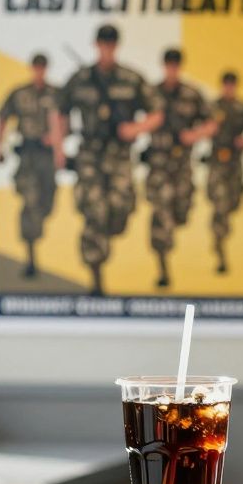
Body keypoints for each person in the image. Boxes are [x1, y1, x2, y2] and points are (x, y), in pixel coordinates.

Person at [60, 24, 165, 296]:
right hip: (90, 156)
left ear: (115, 46)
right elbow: (60, 112)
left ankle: (111, 231)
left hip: (119, 155)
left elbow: (156, 114)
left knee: (119, 209)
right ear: (96, 45)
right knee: (93, 212)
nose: (106, 48)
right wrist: (59, 150)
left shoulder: (130, 79)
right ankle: (96, 276)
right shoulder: (82, 78)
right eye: (103, 43)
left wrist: (135, 129)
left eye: (111, 43)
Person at [145, 48, 214, 289]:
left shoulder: (191, 94)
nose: (172, 68)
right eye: (168, 64)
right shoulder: (151, 93)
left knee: (181, 212)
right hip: (158, 166)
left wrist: (193, 135)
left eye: (175, 64)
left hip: (183, 166)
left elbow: (211, 123)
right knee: (161, 214)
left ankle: (170, 233)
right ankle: (163, 268)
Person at [0, 53, 65, 278]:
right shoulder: (20, 93)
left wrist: (58, 147)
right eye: (36, 67)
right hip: (27, 157)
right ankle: (31, 259)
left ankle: (35, 241)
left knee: (46, 204)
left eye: (42, 67)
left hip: (46, 158)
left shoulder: (55, 94)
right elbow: (3, 117)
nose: (39, 71)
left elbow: (63, 123)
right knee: (30, 203)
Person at [205, 71, 243, 275]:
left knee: (233, 203)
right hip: (217, 163)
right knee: (220, 204)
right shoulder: (212, 107)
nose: (229, 88)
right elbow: (199, 126)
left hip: (235, 164)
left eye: (231, 84)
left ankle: (220, 235)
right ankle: (220, 247)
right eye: (226, 84)